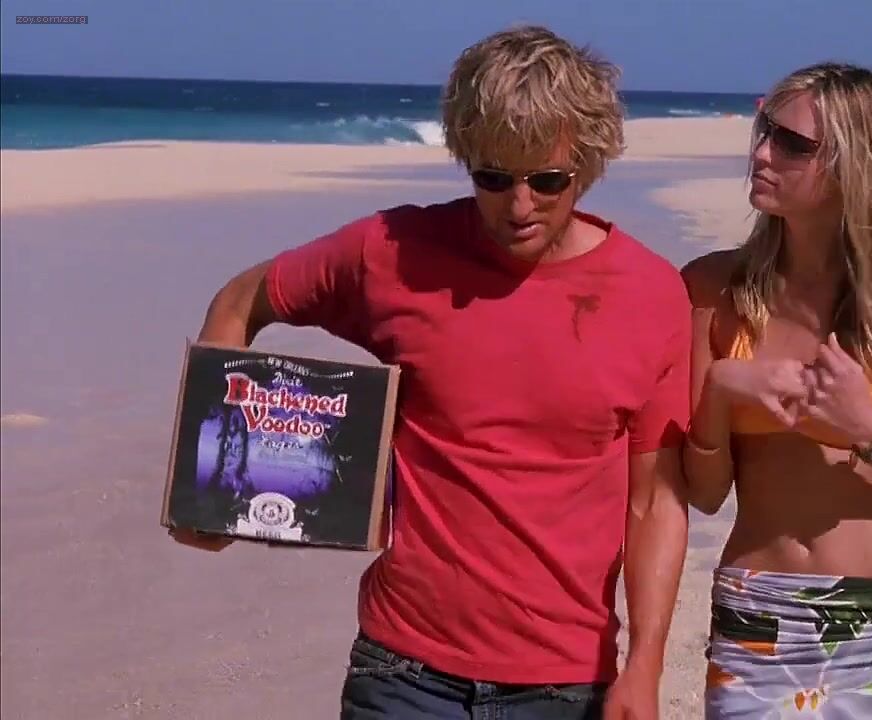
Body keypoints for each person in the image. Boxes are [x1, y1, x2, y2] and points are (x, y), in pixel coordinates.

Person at [174, 25, 691, 720]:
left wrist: (646, 664)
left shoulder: (651, 295)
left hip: (566, 684)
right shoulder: (395, 252)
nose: (519, 206)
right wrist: (210, 485)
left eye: (547, 180)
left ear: (590, 161)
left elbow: (655, 501)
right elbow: (243, 300)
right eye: (493, 178)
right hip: (401, 672)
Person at [681, 63, 872, 718]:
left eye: (791, 144)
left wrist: (871, 435)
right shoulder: (710, 290)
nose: (762, 152)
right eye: (764, 129)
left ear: (854, 167)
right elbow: (704, 494)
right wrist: (722, 388)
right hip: (757, 614)